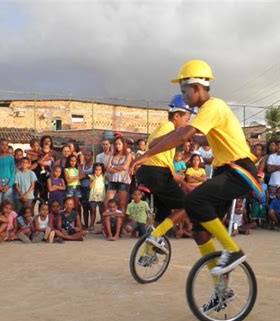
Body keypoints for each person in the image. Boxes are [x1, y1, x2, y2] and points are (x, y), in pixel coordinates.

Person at [130, 59, 259, 290]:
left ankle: (232, 249)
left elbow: (182, 135)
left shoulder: (214, 106)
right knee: (199, 232)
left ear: (198, 87)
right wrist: (195, 138)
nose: (184, 95)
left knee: (192, 199)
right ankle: (222, 290)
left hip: (239, 170)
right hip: (224, 171)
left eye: (184, 90)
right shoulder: (206, 113)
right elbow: (207, 137)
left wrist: (146, 154)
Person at [131, 94, 194, 248]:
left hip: (150, 174)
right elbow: (154, 144)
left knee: (164, 211)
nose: (188, 122)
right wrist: (178, 135)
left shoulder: (163, 130)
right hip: (157, 174)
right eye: (187, 118)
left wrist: (183, 183)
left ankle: (150, 249)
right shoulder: (169, 126)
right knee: (188, 205)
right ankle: (156, 234)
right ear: (177, 116)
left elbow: (164, 161)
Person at [105, 136, 132, 234]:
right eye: (116, 144)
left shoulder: (128, 154)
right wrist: (117, 169)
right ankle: (107, 228)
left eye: (119, 144)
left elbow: (125, 167)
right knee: (107, 203)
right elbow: (107, 168)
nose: (117, 146)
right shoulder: (112, 154)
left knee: (122, 204)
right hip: (113, 180)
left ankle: (120, 228)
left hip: (123, 180)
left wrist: (114, 168)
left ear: (123, 144)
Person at [0, 138, 16, 205]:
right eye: (2, 145)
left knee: (7, 204)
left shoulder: (11, 158)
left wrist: (9, 185)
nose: (4, 147)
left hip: (8, 182)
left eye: (6, 145)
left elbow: (13, 172)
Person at [64, 155, 83, 220]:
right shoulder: (66, 169)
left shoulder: (78, 168)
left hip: (77, 187)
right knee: (70, 206)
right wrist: (77, 177)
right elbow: (68, 180)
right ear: (69, 161)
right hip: (70, 188)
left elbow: (82, 176)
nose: (73, 162)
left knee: (77, 206)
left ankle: (78, 221)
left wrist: (72, 178)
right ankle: (70, 220)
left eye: (74, 161)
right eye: (71, 161)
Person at [89, 163, 106, 231]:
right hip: (93, 197)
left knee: (101, 211)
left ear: (102, 170)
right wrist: (95, 179)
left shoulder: (103, 177)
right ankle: (92, 225)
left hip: (101, 196)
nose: (97, 171)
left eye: (99, 170)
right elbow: (90, 186)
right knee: (93, 211)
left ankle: (103, 225)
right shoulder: (92, 177)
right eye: (96, 170)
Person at [80, 150, 94, 229]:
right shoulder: (83, 165)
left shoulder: (93, 165)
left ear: (92, 156)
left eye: (88, 155)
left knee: (91, 207)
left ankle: (91, 225)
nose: (87, 157)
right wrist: (87, 175)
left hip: (90, 188)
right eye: (86, 155)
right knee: (84, 207)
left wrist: (85, 175)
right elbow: (81, 174)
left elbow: (94, 175)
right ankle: (86, 225)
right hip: (82, 187)